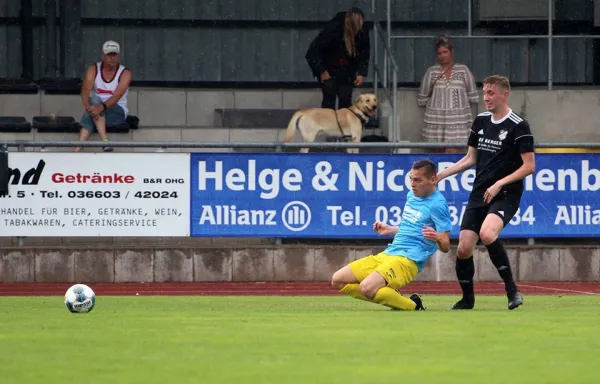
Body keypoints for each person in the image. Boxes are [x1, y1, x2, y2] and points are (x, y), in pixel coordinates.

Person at [436, 75, 535, 310]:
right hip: (480, 192)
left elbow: (529, 166)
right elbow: (470, 158)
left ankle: (512, 291)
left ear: (504, 94)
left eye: (491, 93)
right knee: (463, 247)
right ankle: (467, 299)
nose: (486, 98)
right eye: (484, 93)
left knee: (488, 234)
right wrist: (443, 174)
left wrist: (500, 183)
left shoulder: (519, 125)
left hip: (506, 194)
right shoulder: (480, 121)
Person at [331, 159, 453, 311]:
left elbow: (446, 245)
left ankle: (413, 306)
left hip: (408, 259)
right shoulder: (412, 195)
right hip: (390, 253)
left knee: (367, 288)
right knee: (338, 280)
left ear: (433, 179)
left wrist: (437, 237)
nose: (412, 184)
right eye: (411, 179)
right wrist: (390, 229)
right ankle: (391, 296)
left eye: (417, 180)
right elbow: (411, 227)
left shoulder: (438, 205)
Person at [417, 35, 479, 153]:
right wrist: (435, 102)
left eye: (445, 52)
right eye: (439, 53)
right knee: (438, 152)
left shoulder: (463, 70)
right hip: (437, 119)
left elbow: (473, 95)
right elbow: (422, 97)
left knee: (453, 151)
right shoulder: (432, 72)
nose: (442, 56)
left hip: (457, 120)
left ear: (451, 52)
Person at [305, 7, 370, 110]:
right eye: (359, 23)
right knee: (329, 99)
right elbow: (312, 52)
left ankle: (343, 125)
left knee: (345, 100)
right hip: (328, 67)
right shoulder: (333, 30)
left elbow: (364, 53)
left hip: (347, 69)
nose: (361, 25)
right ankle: (327, 124)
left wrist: (362, 72)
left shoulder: (362, 32)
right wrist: (322, 71)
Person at [75, 40, 132, 152]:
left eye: (114, 54)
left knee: (91, 110)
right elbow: (86, 88)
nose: (112, 58)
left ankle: (77, 150)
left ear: (118, 55)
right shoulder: (94, 68)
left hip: (117, 111)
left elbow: (117, 96)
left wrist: (99, 108)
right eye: (109, 54)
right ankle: (105, 141)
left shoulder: (125, 73)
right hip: (96, 108)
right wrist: (88, 106)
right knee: (94, 102)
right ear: (103, 55)